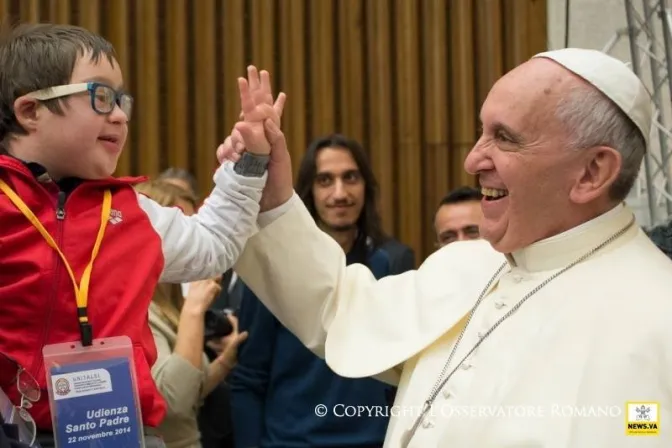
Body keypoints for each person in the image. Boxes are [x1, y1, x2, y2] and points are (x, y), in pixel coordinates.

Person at [221, 48, 672, 447]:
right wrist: (274, 195)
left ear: (592, 172)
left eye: (505, 138)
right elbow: (341, 309)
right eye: (481, 131)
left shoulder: (658, 318)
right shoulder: (467, 263)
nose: (473, 159)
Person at [0, 23, 283, 446]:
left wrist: (249, 163)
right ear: (30, 111)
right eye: (99, 96)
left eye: (120, 100)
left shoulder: (130, 211)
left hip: (122, 434)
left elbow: (214, 244)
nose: (119, 113)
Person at [229, 134, 415, 448]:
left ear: (366, 187)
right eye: (325, 180)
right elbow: (248, 378)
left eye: (350, 178)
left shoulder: (392, 264)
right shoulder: (278, 268)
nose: (339, 193)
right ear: (309, 192)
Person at [135, 180, 247, 448]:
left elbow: (192, 392)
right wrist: (195, 309)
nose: (192, 245)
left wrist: (226, 361)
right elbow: (172, 403)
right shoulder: (138, 307)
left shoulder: (167, 302)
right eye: (180, 232)